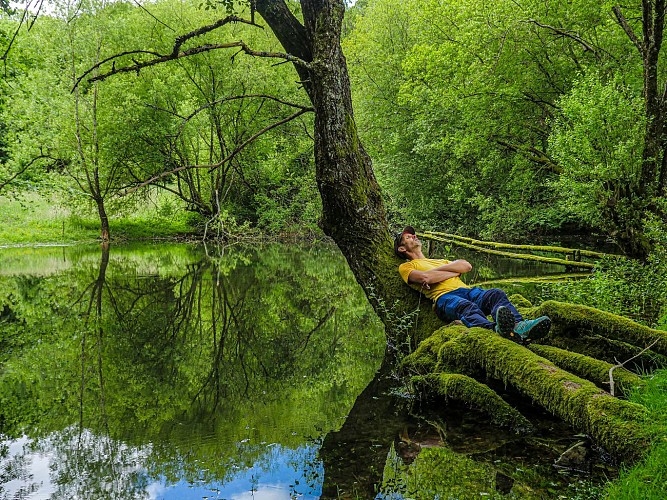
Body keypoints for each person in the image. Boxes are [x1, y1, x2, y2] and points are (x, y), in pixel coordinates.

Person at [394, 226, 551, 344]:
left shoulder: (439, 261)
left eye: (413, 235)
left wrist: (438, 273)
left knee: (495, 294)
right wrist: (453, 271)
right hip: (444, 298)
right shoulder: (406, 267)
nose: (413, 236)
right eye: (408, 237)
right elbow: (425, 278)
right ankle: (493, 331)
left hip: (467, 291)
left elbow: (466, 266)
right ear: (402, 248)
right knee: (467, 307)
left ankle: (518, 326)